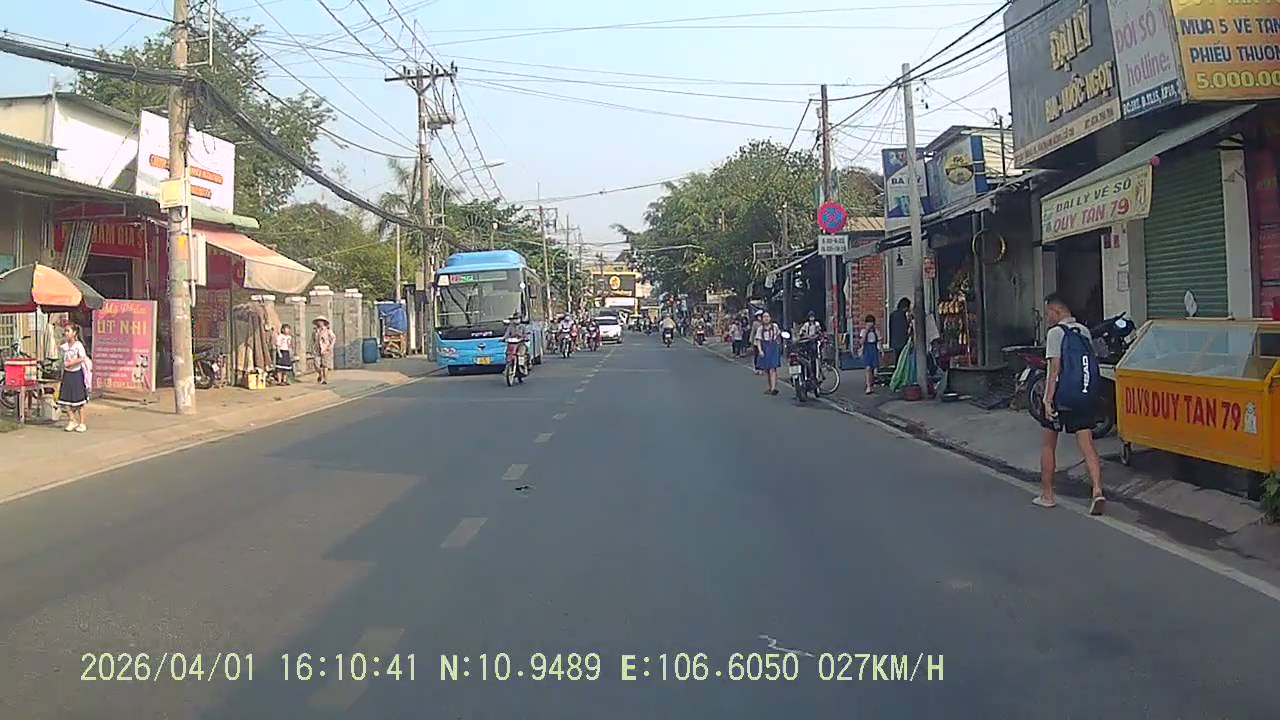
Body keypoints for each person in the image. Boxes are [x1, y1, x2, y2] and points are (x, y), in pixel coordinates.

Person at [1038, 293, 1105, 515]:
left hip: (1062, 397)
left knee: (1048, 444)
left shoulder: (1055, 334)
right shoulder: (1083, 331)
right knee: (1087, 444)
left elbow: (1054, 371)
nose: (1047, 317)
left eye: (1048, 312)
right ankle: (1097, 490)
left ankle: (1047, 495)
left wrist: (1048, 400)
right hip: (1083, 395)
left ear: (1056, 311)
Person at [58, 323, 90, 432]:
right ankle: (72, 420)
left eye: (68, 331)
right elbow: (61, 359)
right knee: (65, 399)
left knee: (79, 400)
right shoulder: (64, 346)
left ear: (74, 333)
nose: (66, 333)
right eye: (65, 331)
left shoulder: (78, 345)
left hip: (76, 374)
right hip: (67, 374)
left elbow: (82, 358)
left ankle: (82, 423)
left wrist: (73, 362)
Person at [754, 311, 782, 395]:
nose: (766, 318)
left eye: (767, 316)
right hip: (765, 348)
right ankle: (770, 387)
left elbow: (778, 335)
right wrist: (760, 350)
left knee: (773, 368)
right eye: (764, 317)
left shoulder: (775, 326)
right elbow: (758, 340)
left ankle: (773, 388)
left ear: (770, 318)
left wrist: (778, 343)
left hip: (773, 347)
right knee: (767, 369)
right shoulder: (760, 329)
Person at [860, 314, 881, 395]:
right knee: (868, 368)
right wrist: (866, 331)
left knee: (874, 369)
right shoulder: (863, 331)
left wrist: (881, 350)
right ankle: (868, 386)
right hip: (867, 349)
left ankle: (871, 384)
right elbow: (861, 342)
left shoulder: (876, 331)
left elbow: (879, 340)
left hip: (874, 349)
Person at [312, 316, 336, 385]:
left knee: (325, 365)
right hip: (317, 350)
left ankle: (325, 379)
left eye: (321, 321)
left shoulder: (328, 330)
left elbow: (333, 338)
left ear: (324, 322)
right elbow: (313, 340)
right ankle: (320, 374)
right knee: (316, 364)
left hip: (325, 349)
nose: (319, 322)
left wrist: (331, 346)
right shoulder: (315, 331)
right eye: (318, 321)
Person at [888, 297, 911, 363]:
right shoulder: (904, 316)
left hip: (894, 342)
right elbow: (906, 328)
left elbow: (890, 328)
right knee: (903, 360)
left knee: (897, 360)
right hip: (903, 342)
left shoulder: (892, 315)